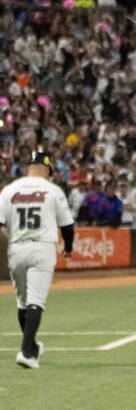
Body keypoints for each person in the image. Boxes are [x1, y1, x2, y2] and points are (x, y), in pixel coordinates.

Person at [0, 150, 74, 369]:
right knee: (36, 302)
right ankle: (26, 353)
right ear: (46, 169)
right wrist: (68, 248)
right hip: (42, 247)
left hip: (16, 248)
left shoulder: (9, 190)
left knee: (23, 303)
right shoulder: (53, 190)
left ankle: (32, 347)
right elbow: (67, 225)